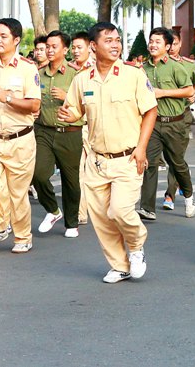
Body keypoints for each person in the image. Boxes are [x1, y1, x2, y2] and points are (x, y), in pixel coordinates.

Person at [58, 22, 154, 283]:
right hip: (97, 161)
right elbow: (76, 113)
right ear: (93, 46)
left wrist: (142, 149)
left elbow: (150, 111)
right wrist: (69, 116)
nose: (116, 45)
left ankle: (136, 247)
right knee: (101, 218)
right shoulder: (81, 80)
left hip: (128, 157)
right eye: (109, 40)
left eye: (118, 40)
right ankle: (119, 265)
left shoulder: (132, 75)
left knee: (120, 211)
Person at [0, 17, 41, 253]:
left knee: (17, 194)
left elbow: (34, 105)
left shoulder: (27, 68)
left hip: (20, 139)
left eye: (3, 36)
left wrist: (9, 98)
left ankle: (23, 237)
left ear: (16, 40)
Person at [139, 28, 195, 221]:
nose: (153, 45)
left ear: (168, 46)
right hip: (153, 123)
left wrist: (163, 92)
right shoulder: (142, 68)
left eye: (158, 42)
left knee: (177, 164)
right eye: (151, 41)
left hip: (175, 124)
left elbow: (188, 91)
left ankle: (188, 195)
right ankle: (147, 207)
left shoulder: (175, 66)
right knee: (150, 163)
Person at [32, 31, 83, 238]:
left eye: (54, 47)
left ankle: (72, 223)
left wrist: (67, 97)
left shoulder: (76, 74)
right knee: (37, 174)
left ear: (65, 49)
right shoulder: (38, 73)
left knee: (71, 180)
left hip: (70, 132)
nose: (50, 50)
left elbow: (88, 103)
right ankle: (53, 210)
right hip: (43, 131)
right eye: (48, 46)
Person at [164, 28, 195, 206]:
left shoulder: (189, 65)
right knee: (168, 156)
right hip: (158, 117)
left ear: (180, 44)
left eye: (176, 44)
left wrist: (193, 93)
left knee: (176, 155)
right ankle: (181, 180)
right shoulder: (155, 66)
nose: (172, 47)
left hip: (182, 116)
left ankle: (169, 195)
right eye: (169, 44)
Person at [70, 31, 94, 225]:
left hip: (96, 128)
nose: (76, 51)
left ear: (90, 48)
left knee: (99, 171)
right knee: (78, 171)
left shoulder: (96, 71)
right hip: (77, 127)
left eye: (80, 47)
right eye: (74, 47)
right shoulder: (68, 70)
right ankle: (81, 212)